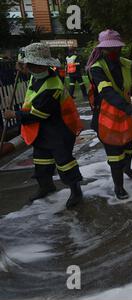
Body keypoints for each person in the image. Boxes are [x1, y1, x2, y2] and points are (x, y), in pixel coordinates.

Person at [4, 43, 84, 208]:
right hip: (42, 132)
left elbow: (37, 115)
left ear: (40, 66)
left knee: (65, 163)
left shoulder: (52, 86)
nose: (28, 68)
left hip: (59, 131)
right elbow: (27, 72)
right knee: (41, 162)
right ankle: (46, 186)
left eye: (30, 65)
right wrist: (21, 66)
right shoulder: (37, 75)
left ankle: (76, 191)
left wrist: (14, 115)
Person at [87, 29, 132, 200]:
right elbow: (107, 93)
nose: (113, 52)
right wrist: (131, 110)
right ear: (102, 49)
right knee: (115, 154)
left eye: (116, 48)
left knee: (130, 144)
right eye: (109, 49)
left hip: (128, 115)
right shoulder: (96, 68)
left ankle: (127, 168)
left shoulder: (130, 64)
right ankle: (119, 185)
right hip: (108, 117)